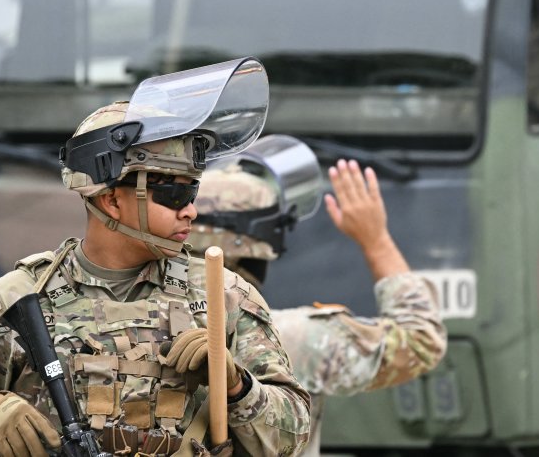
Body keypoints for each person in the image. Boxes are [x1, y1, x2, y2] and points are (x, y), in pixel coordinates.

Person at [0, 61, 310, 457]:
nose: (189, 211)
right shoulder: (17, 300)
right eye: (174, 195)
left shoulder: (224, 297)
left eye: (192, 194)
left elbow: (293, 436)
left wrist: (237, 385)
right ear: (111, 200)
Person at [187, 136, 447, 456]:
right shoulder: (295, 338)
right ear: (261, 246)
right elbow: (420, 342)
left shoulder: (146, 325)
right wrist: (376, 240)